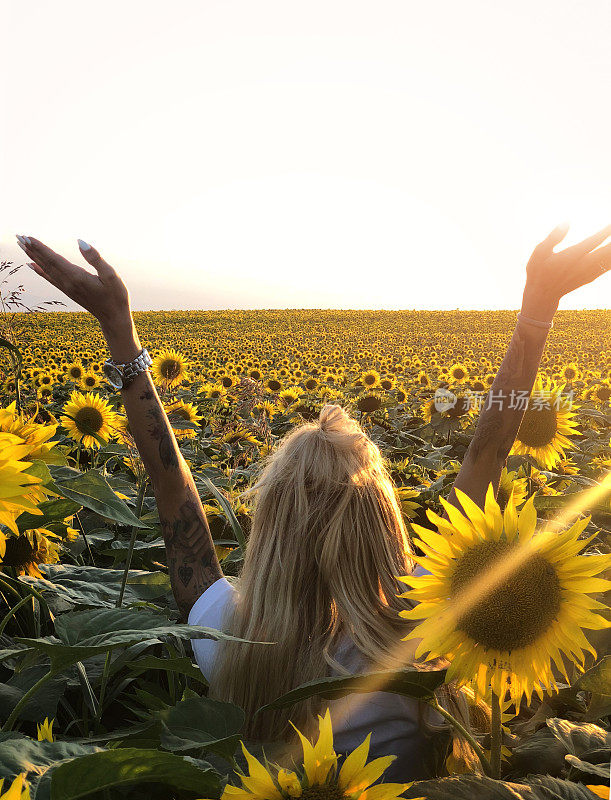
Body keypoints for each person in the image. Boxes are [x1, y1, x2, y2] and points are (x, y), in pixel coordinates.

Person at [17, 223, 610, 779]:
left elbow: (172, 487)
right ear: (382, 517)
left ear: (270, 521)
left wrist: (121, 334)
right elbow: (487, 450)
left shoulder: (228, 639)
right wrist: (536, 312)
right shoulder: (425, 625)